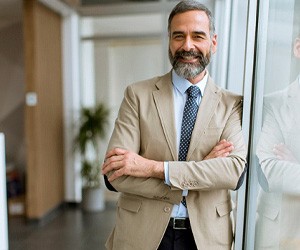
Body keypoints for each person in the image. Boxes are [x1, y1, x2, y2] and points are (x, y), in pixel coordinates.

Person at [102, 1, 247, 249]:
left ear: (213, 42)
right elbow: (115, 176)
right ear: (169, 40)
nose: (187, 45)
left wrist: (153, 168)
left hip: (206, 238)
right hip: (142, 235)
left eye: (198, 36)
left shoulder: (232, 104)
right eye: (179, 36)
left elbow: (233, 172)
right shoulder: (137, 95)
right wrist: (199, 172)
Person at [255, 35, 300, 249]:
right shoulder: (271, 104)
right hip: (278, 231)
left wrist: (295, 165)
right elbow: (270, 172)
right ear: (298, 48)